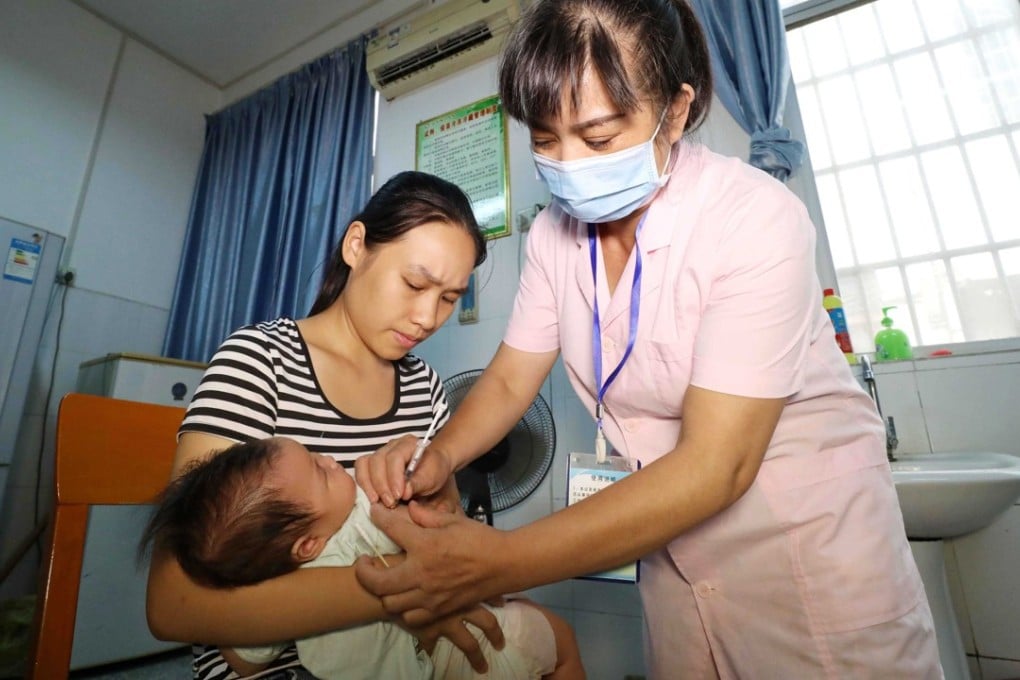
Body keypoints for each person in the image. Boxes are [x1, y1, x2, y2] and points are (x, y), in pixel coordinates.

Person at [353, 1, 944, 678]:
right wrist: (440, 455)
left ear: (675, 110)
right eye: (546, 140)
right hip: (672, 546)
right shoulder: (553, 235)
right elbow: (514, 378)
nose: (569, 165)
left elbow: (716, 465)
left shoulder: (753, 219)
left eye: (598, 137)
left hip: (805, 544)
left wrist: (495, 562)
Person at [145, 171, 511, 679]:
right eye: (414, 283)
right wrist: (402, 590)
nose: (428, 316)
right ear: (357, 246)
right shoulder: (260, 363)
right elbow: (174, 603)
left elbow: (444, 539)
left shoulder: (425, 389)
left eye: (449, 297)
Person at [141, 436, 583, 679]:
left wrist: (252, 576)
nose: (333, 461)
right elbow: (443, 543)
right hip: (468, 658)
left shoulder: (276, 592)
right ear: (307, 546)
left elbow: (242, 660)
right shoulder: (364, 515)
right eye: (320, 469)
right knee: (560, 640)